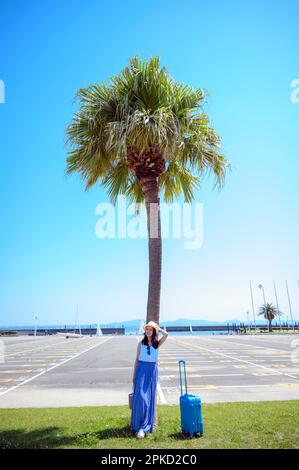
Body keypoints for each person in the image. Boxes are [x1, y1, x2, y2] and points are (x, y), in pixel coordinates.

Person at [130, 320, 168, 439]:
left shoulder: (157, 344)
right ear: (145, 331)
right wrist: (134, 375)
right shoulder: (140, 343)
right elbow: (136, 359)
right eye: (147, 329)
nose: (148, 331)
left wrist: (159, 328)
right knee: (140, 397)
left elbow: (166, 335)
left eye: (151, 329)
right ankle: (137, 426)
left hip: (152, 371)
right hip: (141, 369)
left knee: (149, 399)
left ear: (154, 331)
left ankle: (144, 427)